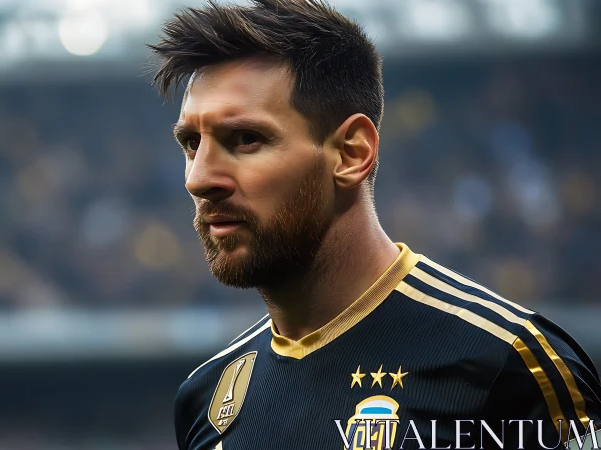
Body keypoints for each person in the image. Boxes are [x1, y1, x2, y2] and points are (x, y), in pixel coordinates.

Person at [148, 1, 601, 449]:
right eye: (191, 143)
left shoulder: (508, 365)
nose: (199, 178)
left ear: (351, 153)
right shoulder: (206, 398)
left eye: (245, 139)